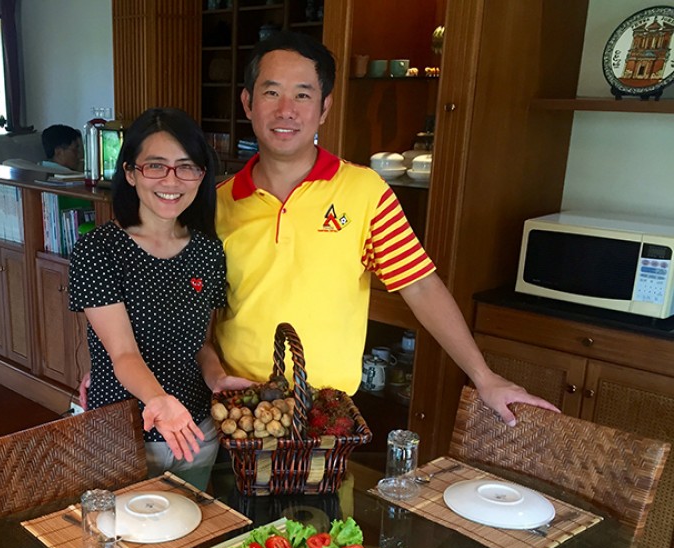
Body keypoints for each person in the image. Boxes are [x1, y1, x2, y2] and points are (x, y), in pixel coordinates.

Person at [214, 31, 556, 426]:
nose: (286, 109)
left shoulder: (364, 192)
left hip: (327, 415)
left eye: (303, 95)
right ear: (248, 103)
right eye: (271, 93)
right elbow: (202, 312)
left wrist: (484, 377)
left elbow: (422, 285)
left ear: (324, 108)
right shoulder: (220, 202)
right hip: (238, 408)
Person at [68, 108, 250, 489]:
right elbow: (123, 355)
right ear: (131, 173)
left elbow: (198, 343)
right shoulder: (98, 251)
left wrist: (216, 376)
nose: (172, 180)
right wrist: (161, 401)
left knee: (191, 542)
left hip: (195, 432)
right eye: (156, 166)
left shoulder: (207, 251)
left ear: (202, 176)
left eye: (187, 167)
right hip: (124, 437)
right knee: (122, 542)